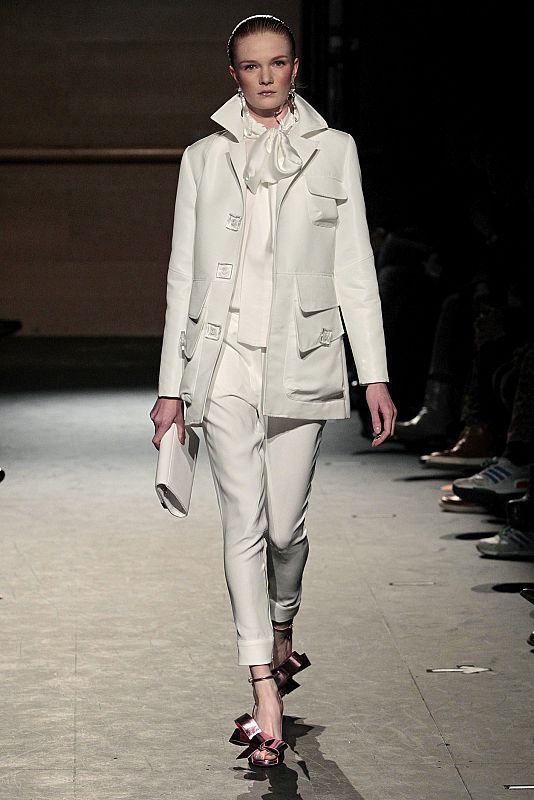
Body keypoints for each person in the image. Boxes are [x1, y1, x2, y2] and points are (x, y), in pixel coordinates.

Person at [150, 15, 396, 769]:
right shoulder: (203, 159)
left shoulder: (334, 151)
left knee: (286, 530)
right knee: (244, 524)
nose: (265, 77)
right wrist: (171, 388)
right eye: (251, 66)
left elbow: (354, 266)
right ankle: (263, 689)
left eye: (278, 63)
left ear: (295, 69)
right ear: (233, 74)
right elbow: (182, 274)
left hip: (302, 357)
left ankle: (282, 626)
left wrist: (374, 373)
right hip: (221, 363)